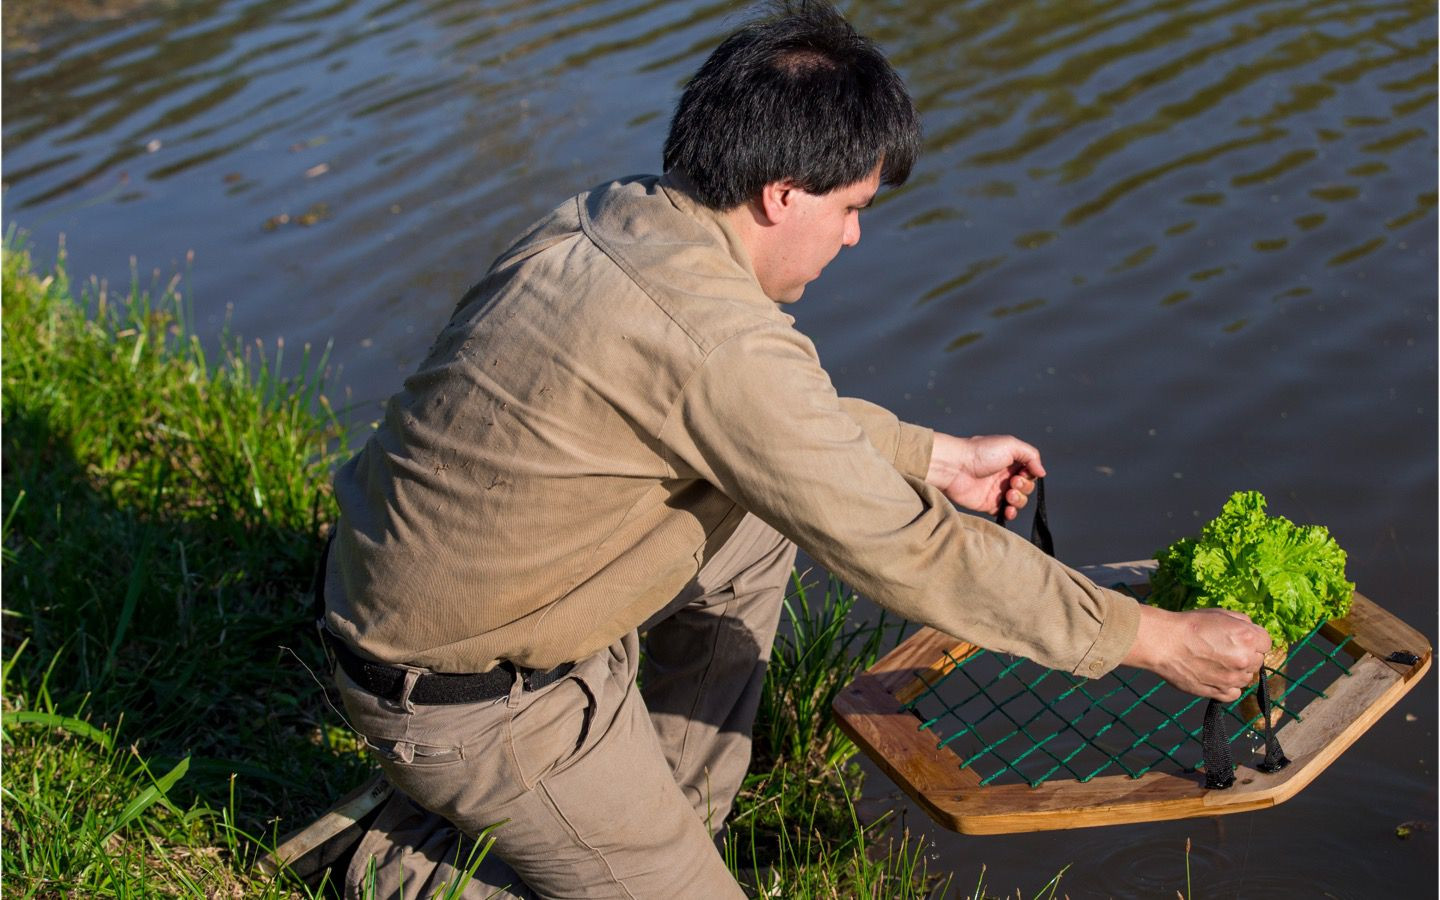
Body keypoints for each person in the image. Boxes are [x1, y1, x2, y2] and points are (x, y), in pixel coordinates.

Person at [274, 2, 1271, 896]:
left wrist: (935, 458)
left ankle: (661, 822)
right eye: (852, 210)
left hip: (427, 595)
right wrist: (1154, 639)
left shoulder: (625, 213)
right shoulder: (715, 337)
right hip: (470, 700)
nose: (854, 239)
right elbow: (912, 550)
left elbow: (769, 424)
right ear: (783, 194)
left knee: (757, 524)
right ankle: (406, 863)